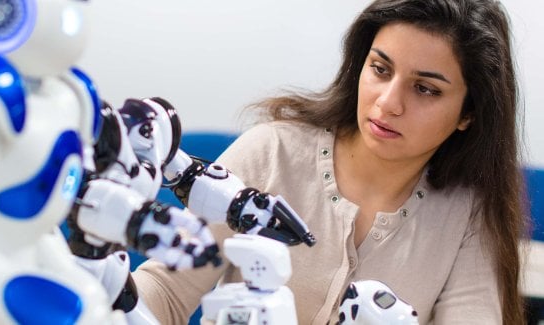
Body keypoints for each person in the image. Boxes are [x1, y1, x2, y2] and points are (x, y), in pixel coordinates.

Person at [132, 0, 528, 324]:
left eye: (425, 88)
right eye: (380, 69)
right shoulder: (272, 151)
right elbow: (165, 291)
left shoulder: (470, 215)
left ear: (468, 113)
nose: (388, 103)